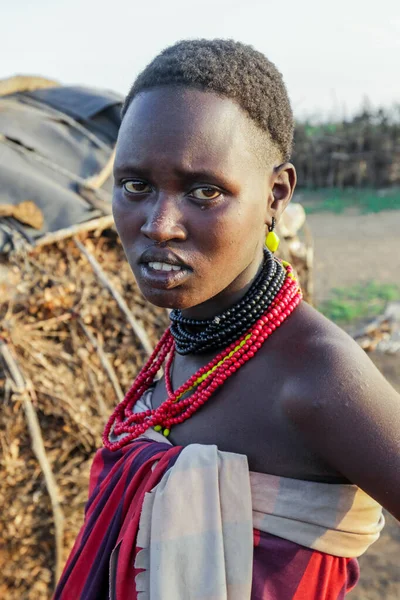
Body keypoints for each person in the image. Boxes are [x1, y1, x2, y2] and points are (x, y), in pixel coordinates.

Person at [53, 39, 400, 600]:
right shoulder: (185, 344)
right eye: (135, 185)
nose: (160, 224)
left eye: (205, 191)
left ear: (275, 195)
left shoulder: (317, 378)